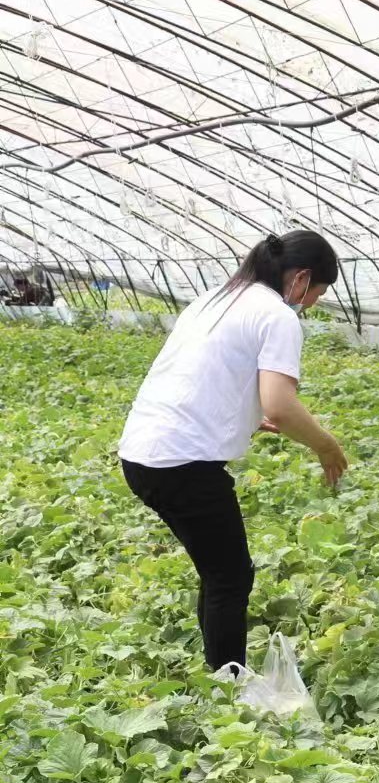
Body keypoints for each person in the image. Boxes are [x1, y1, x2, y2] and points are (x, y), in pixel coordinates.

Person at [119, 232, 348, 673]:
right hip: (181, 463)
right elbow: (280, 405)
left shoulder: (216, 298)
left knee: (218, 568)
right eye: (318, 292)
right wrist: (327, 446)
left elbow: (203, 373)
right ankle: (228, 688)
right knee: (230, 575)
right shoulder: (277, 316)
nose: (314, 303)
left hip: (141, 453)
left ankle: (217, 675)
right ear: (300, 279)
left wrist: (240, 415)